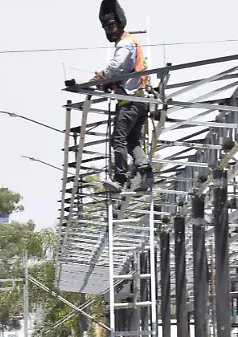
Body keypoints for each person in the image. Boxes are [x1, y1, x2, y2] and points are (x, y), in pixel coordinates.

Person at [93, 0, 152, 193]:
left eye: (111, 27)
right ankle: (146, 173)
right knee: (131, 141)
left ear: (120, 24)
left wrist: (102, 77)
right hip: (140, 101)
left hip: (130, 103)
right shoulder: (131, 44)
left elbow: (116, 66)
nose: (109, 31)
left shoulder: (126, 43)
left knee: (118, 140)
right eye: (106, 28)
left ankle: (119, 179)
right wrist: (110, 82)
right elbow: (125, 72)